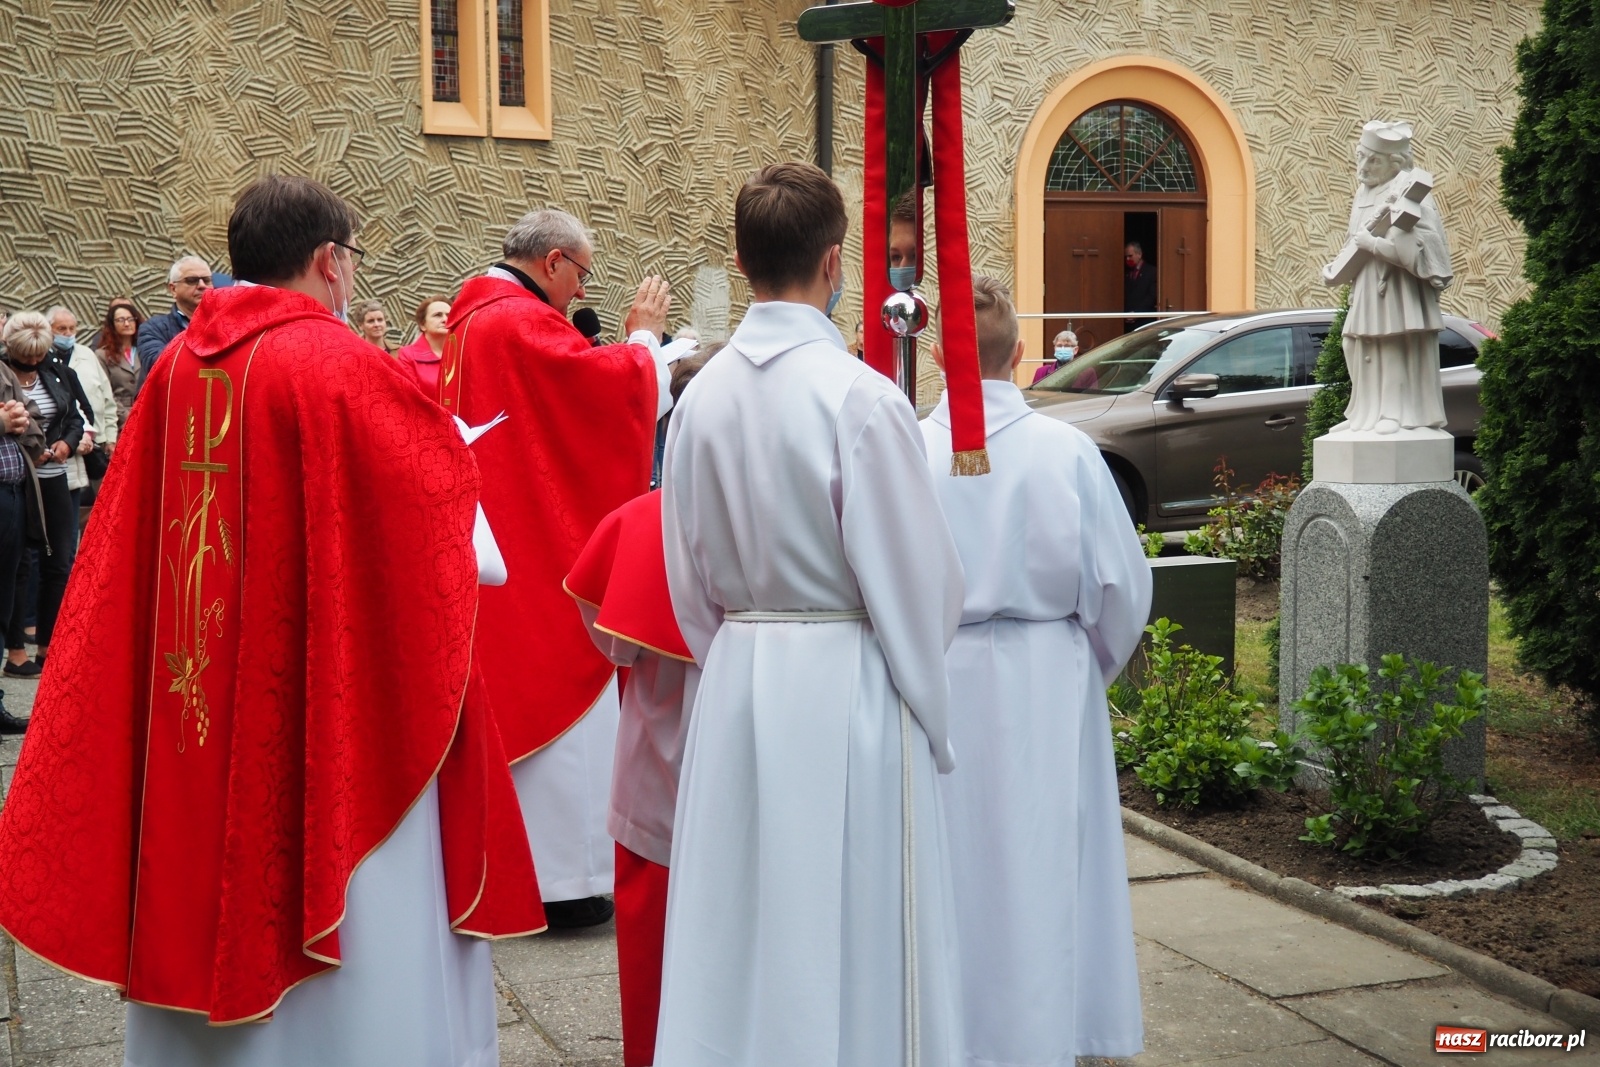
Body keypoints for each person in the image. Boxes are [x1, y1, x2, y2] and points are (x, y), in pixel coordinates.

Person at [0, 175, 542, 1067]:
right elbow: (435, 515)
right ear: (329, 262)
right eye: (354, 262)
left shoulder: (178, 367)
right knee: (345, 870)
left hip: (189, 694)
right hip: (310, 690)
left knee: (190, 844)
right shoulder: (336, 363)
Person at [655, 161, 965, 1067]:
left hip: (741, 678)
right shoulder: (862, 396)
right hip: (850, 681)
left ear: (744, 258)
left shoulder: (699, 395)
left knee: (743, 915)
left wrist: (744, 649)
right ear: (836, 262)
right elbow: (921, 587)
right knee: (854, 916)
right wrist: (923, 697)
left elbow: (686, 576)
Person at [923, 276, 1151, 1067]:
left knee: (951, 875)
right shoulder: (1069, 452)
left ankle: (948, 1035)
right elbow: (1123, 590)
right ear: (1021, 354)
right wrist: (1084, 664)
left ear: (937, 351)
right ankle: (1046, 1034)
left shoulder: (907, 448)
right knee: (1046, 864)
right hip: (1048, 678)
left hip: (937, 678)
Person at [445, 207, 673, 928]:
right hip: (532, 546)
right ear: (551, 262)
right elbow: (604, 394)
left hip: (505, 532)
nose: (581, 291)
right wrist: (643, 337)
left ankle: (540, 874)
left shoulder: (470, 314)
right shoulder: (516, 320)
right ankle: (563, 880)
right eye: (581, 274)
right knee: (556, 679)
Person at [567, 353, 707, 1067]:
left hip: (652, 763)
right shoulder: (759, 522)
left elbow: (610, 643)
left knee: (653, 940)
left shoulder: (634, 521)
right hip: (736, 761)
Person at [1325, 120, 1452, 434]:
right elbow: (1354, 237)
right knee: (1354, 343)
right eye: (1361, 156)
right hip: (1367, 283)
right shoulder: (1363, 191)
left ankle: (1394, 413)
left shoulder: (1410, 193)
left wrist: (1376, 245)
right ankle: (1363, 414)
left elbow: (1419, 251)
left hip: (1398, 288)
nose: (1364, 166)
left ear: (1395, 164)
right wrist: (1337, 267)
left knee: (1391, 342)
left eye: (1374, 160)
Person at [3, 312, 85, 679]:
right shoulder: (3, 374)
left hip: (56, 477)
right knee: (19, 564)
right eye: (27, 356)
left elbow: (76, 417)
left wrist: (67, 443)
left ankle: (49, 646)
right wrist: (31, 448)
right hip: (20, 478)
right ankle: (16, 649)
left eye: (39, 355)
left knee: (58, 563)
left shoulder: (58, 371)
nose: (33, 362)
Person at [0, 355, 42, 731]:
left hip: (11, 495)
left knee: (2, 603)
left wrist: (20, 419)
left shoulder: (2, 369)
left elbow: (33, 414)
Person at [46, 306, 118, 510]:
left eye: (72, 328)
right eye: (62, 329)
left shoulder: (87, 355)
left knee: (104, 505)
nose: (68, 334)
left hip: (96, 444)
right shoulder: (43, 358)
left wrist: (110, 437)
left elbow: (107, 398)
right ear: (49, 329)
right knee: (72, 507)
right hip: (66, 444)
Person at [134, 255, 213, 391]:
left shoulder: (226, 325)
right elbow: (159, 365)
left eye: (206, 280)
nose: (202, 286)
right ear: (173, 289)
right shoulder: (152, 328)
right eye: (192, 280)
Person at [94, 298, 142, 427]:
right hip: (118, 420)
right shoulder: (102, 355)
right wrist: (127, 417)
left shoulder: (144, 351)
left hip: (146, 413)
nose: (127, 324)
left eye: (131, 319)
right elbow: (105, 392)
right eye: (121, 320)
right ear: (112, 324)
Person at [396, 295, 452, 395]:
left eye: (449, 315)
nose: (445, 319)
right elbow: (411, 396)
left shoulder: (462, 353)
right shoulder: (407, 356)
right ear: (422, 325)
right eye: (438, 315)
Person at [1124, 242, 1157, 332]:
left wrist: (1137, 313)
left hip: (1145, 322)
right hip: (1127, 323)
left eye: (1130, 256)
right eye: (1126, 256)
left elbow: (1151, 296)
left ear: (1139, 254)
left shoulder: (1151, 272)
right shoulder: (1126, 273)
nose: (1127, 259)